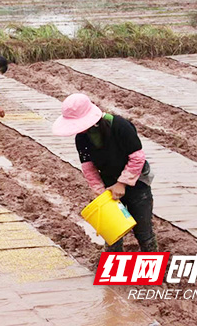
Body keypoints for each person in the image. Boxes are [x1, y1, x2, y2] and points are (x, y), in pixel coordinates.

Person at [52, 93, 157, 252]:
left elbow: (137, 157)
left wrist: (122, 183)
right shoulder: (82, 138)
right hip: (108, 183)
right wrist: (101, 193)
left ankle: (152, 268)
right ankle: (114, 270)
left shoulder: (120, 126)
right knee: (112, 233)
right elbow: (88, 167)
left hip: (137, 182)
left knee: (143, 232)